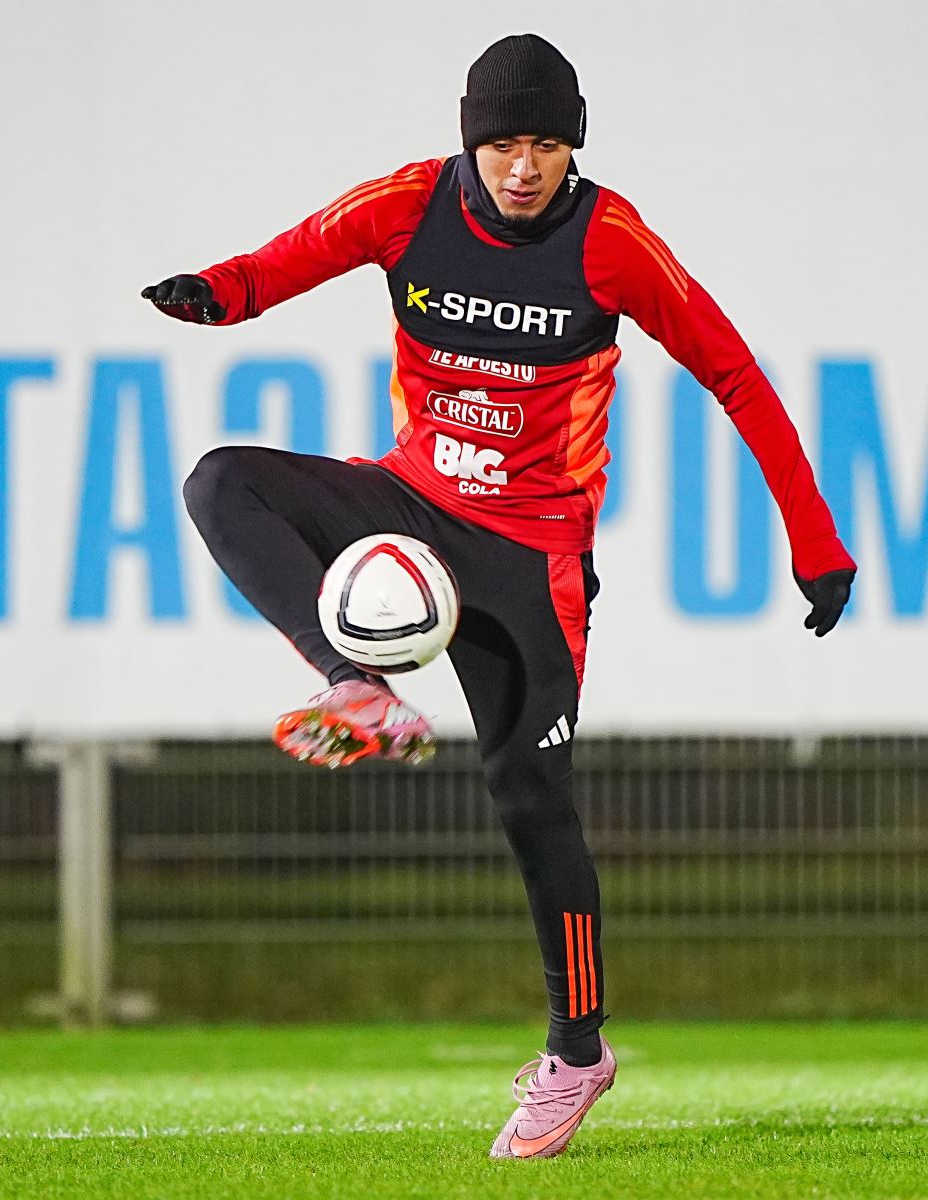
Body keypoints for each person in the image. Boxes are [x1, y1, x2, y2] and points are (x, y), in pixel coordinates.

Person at [144, 33, 856, 1159]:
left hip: (534, 559)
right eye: (504, 143)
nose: (524, 166)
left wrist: (813, 539)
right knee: (221, 481)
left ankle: (579, 1055)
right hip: (415, 509)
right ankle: (358, 687)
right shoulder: (409, 206)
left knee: (530, 798)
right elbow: (298, 255)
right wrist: (221, 296)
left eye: (548, 145)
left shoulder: (610, 241)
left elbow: (734, 372)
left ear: (574, 149)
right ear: (468, 142)